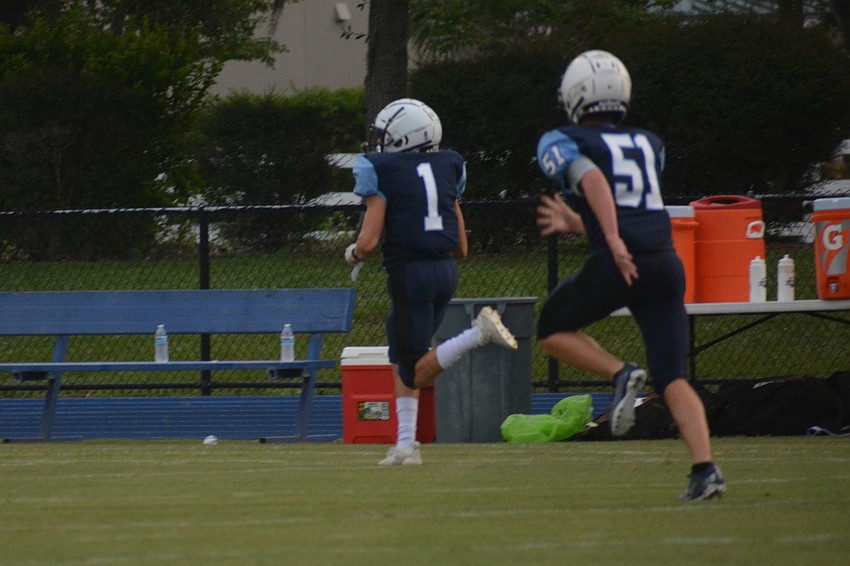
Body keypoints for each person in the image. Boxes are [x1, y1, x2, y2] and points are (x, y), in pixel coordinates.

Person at [534, 50, 725, 501]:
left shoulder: (560, 138)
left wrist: (614, 242)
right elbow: (630, 207)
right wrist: (582, 225)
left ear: (574, 94)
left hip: (622, 263)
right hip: (664, 262)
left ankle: (621, 373)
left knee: (550, 329)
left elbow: (597, 183)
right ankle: (705, 469)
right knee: (673, 375)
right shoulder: (649, 143)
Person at [344, 98, 518, 466]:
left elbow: (369, 241)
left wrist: (354, 255)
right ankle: (406, 444)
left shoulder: (383, 170)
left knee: (414, 368)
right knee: (401, 347)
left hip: (411, 273)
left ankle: (477, 334)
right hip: (444, 272)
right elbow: (462, 247)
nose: (378, 142)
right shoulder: (447, 166)